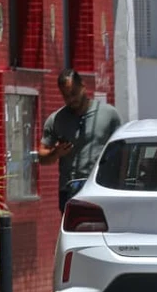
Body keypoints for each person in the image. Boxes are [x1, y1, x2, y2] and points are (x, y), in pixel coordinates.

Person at [38, 69, 122, 212]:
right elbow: (42, 157)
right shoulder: (57, 120)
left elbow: (121, 152)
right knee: (74, 234)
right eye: (66, 96)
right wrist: (56, 153)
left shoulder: (109, 115)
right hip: (70, 191)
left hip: (101, 187)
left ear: (83, 86)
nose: (71, 99)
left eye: (74, 93)